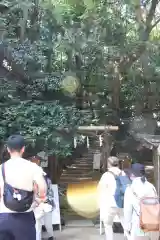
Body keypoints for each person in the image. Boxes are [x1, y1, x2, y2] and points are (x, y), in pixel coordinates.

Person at [0, 135, 47, 240]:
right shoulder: (33, 167)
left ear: (8, 149)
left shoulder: (1, 168)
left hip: (3, 217)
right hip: (25, 217)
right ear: (23, 149)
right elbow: (42, 188)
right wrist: (40, 199)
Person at [123, 163, 159, 240]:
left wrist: (127, 227)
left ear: (132, 175)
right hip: (153, 224)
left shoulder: (130, 189)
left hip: (138, 224)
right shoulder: (151, 186)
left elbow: (127, 211)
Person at [98, 156, 127, 240]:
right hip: (122, 203)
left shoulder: (106, 175)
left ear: (109, 164)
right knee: (126, 225)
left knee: (108, 225)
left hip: (110, 203)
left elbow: (100, 189)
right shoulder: (123, 173)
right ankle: (131, 237)